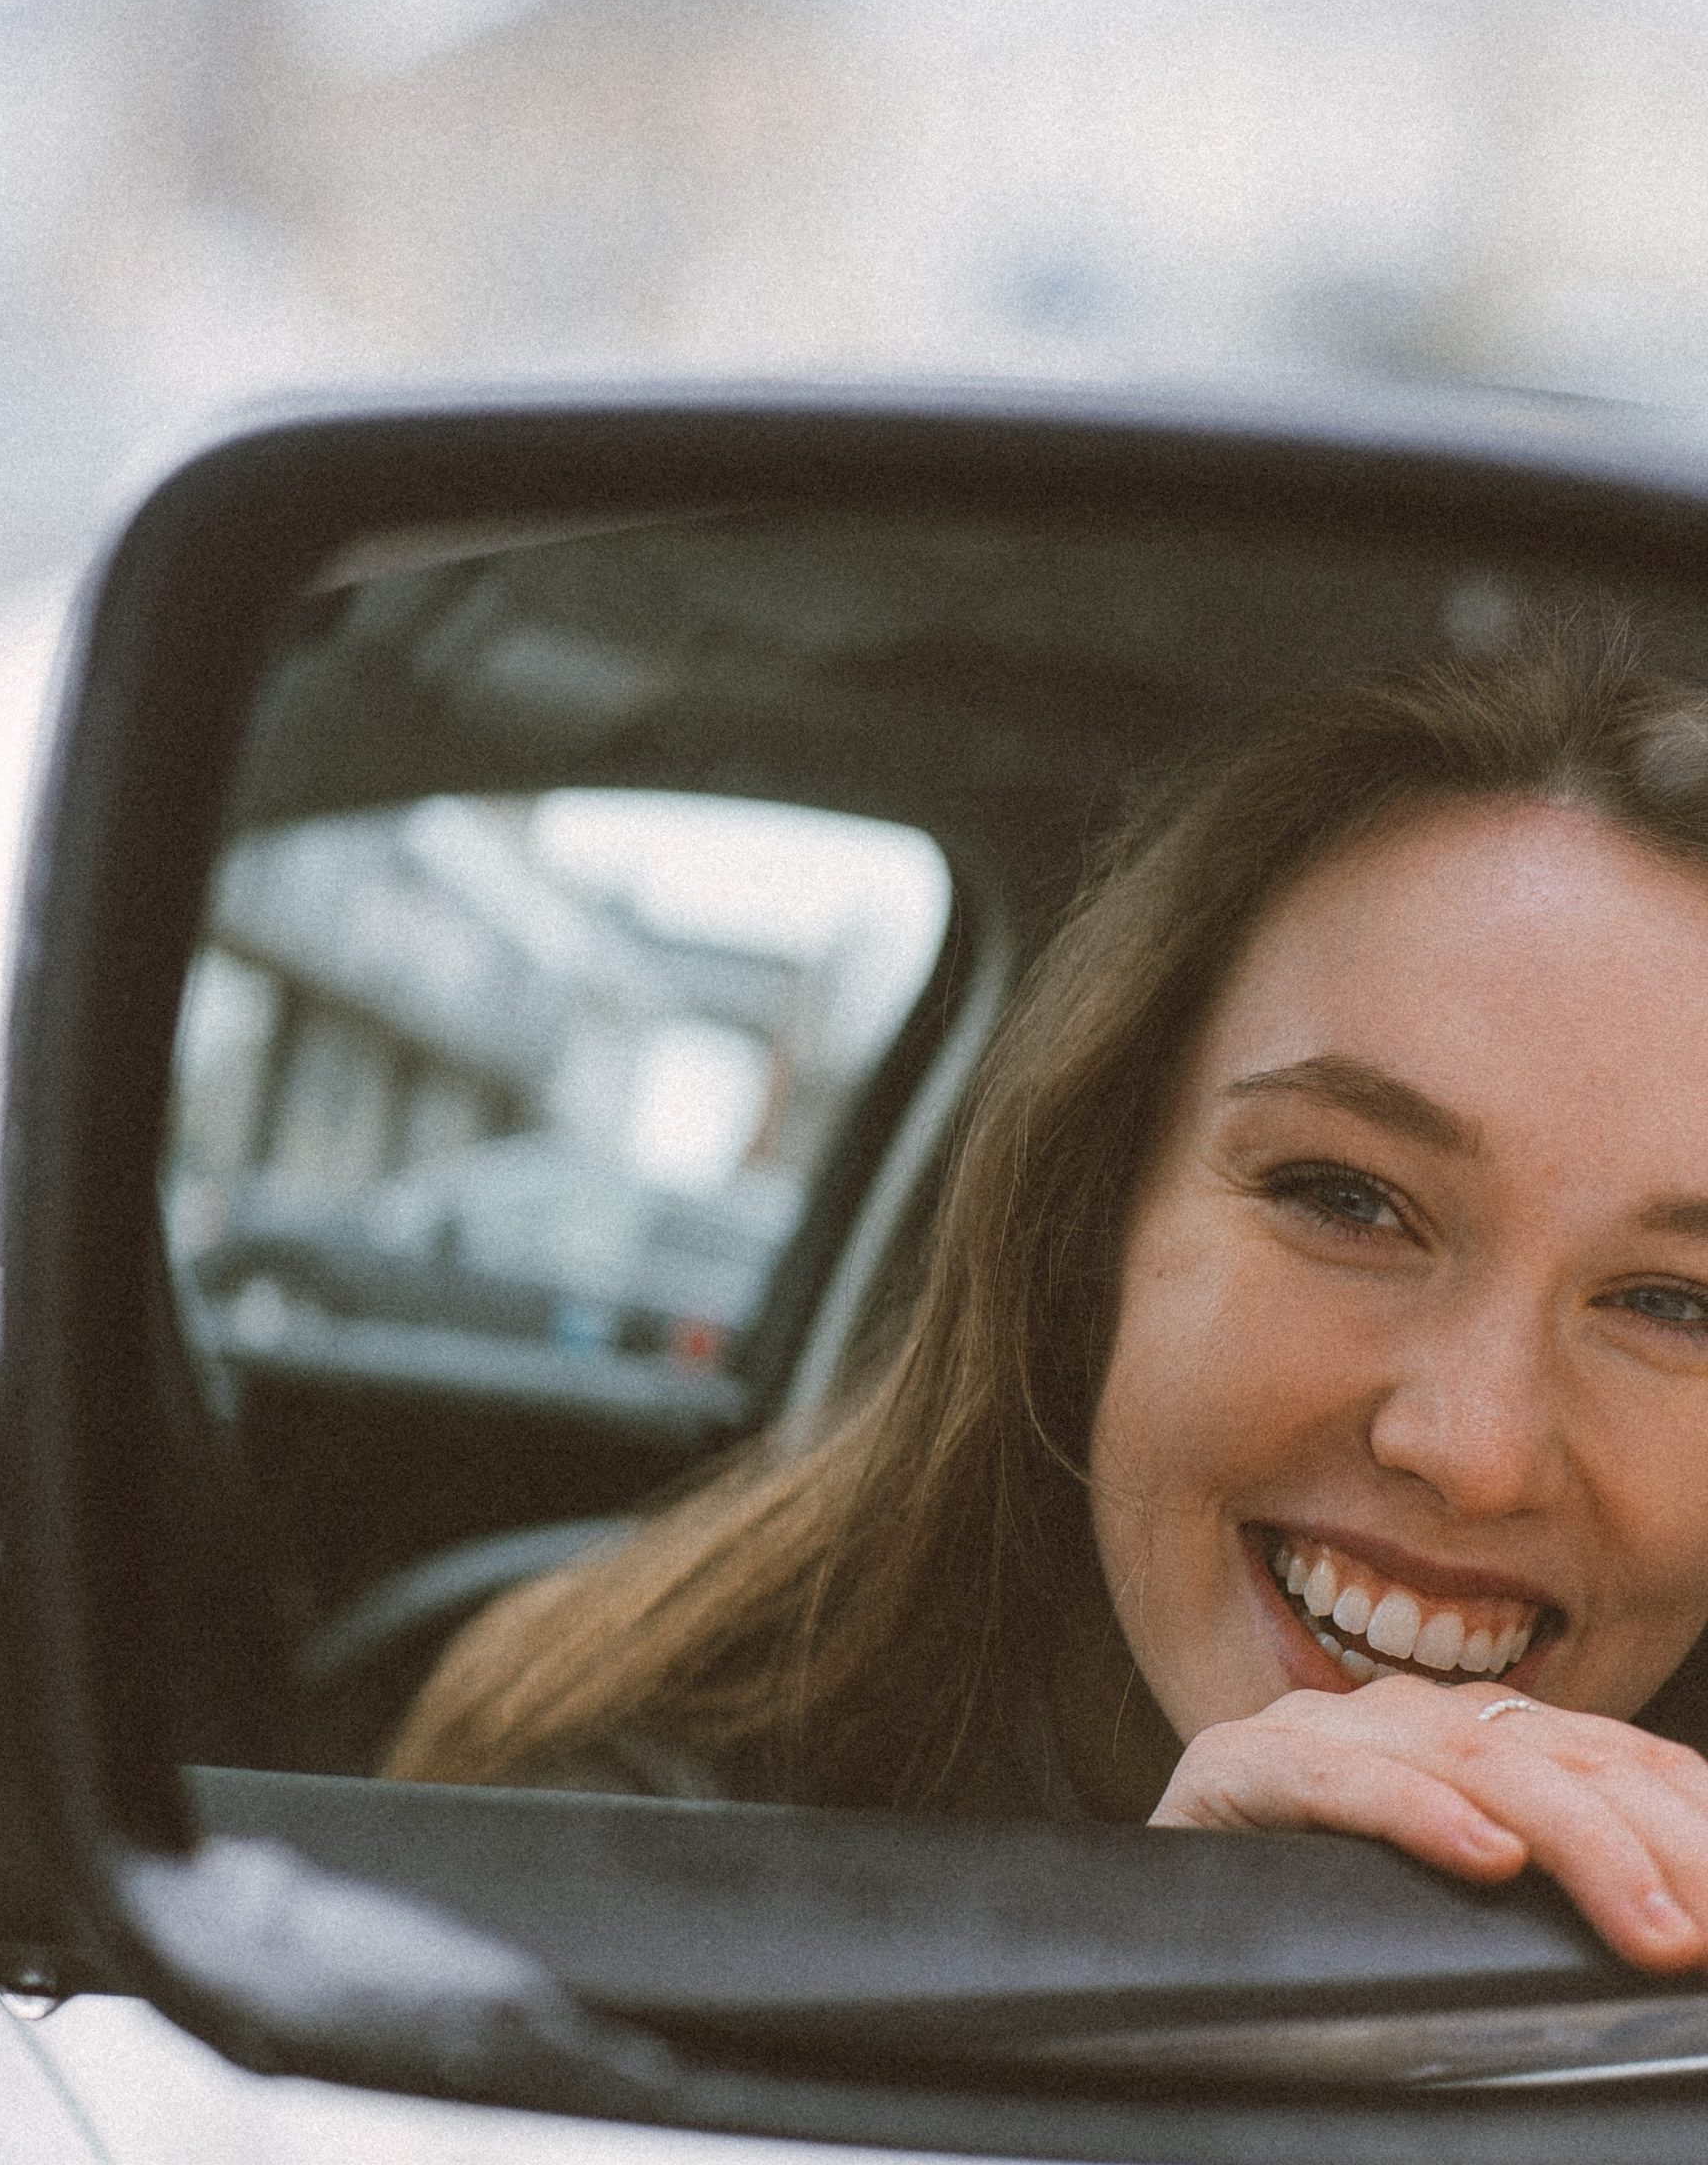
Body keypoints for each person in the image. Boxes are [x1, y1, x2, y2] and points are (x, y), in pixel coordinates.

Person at [384, 617, 1708, 1975]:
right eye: (1347, 1200)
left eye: (1678, 1306)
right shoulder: (622, 1808)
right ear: (1088, 1227)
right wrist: (1173, 1956)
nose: (1475, 1453)